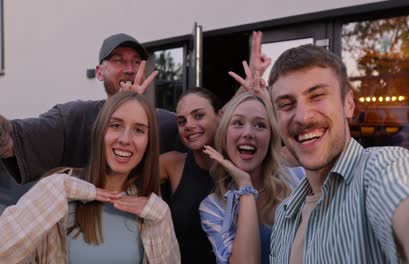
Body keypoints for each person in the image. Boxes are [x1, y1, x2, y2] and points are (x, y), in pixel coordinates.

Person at [265, 43, 409, 263]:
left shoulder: (381, 169)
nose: (302, 117)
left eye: (317, 96)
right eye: (286, 104)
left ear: (348, 104)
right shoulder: (285, 213)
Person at [0, 91, 180, 263]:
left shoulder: (153, 209)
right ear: (100, 132)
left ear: (149, 143)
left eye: (139, 130)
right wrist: (56, 187)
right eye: (116, 125)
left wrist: (160, 216)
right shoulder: (58, 194)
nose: (125, 139)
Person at [0, 33, 181, 186]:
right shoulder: (74, 117)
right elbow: (10, 139)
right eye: (119, 61)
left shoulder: (166, 124)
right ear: (99, 72)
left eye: (136, 62)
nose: (130, 69)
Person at [199, 92, 303, 264]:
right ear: (224, 135)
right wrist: (245, 186)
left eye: (260, 125)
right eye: (238, 123)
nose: (248, 133)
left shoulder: (300, 181)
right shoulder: (213, 207)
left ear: (271, 137)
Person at [159, 87, 221, 263]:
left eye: (199, 115)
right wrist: (128, 103)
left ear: (221, 115)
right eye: (181, 121)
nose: (189, 125)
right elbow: (125, 171)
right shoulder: (173, 164)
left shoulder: (243, 164)